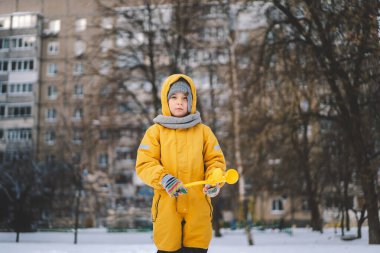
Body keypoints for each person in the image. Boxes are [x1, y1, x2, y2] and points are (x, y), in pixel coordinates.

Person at [135, 74, 226, 253]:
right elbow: (145, 163)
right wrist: (164, 179)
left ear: (191, 102)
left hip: (197, 209)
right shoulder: (155, 132)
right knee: (168, 247)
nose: (179, 102)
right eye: (174, 97)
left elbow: (215, 162)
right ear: (166, 100)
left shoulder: (204, 132)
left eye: (185, 98)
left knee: (196, 248)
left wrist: (214, 180)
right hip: (167, 209)